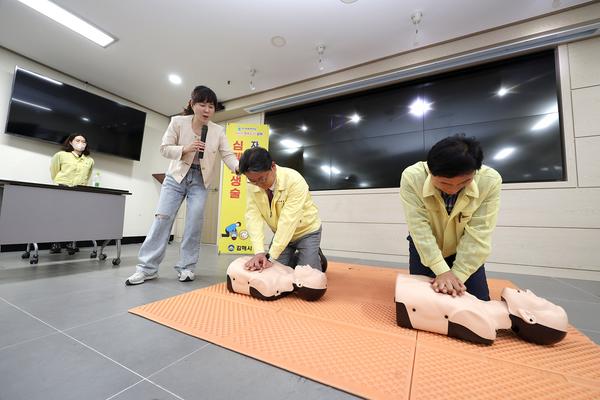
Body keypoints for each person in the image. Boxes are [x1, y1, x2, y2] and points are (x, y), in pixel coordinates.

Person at [126, 85, 238, 285]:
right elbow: (164, 149)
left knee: (194, 223)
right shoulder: (178, 122)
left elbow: (228, 155)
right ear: (192, 105)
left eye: (211, 106)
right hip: (176, 177)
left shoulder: (218, 131)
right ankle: (146, 268)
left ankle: (186, 268)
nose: (206, 110)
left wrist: (240, 168)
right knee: (162, 220)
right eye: (202, 104)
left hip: (200, 181)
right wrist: (185, 149)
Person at [400, 135, 502, 301]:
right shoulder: (412, 177)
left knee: (479, 302)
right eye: (445, 183)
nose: (453, 190)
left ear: (475, 172)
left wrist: (456, 277)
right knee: (421, 303)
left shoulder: (490, 181)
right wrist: (441, 271)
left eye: (464, 182)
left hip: (466, 250)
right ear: (430, 171)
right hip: (425, 247)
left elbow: (480, 231)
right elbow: (419, 228)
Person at [238, 147, 326, 273]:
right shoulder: (252, 185)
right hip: (281, 233)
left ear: (272, 167)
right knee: (273, 273)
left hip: (306, 232)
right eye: (253, 181)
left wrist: (271, 256)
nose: (259, 184)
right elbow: (253, 217)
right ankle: (297, 259)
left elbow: (288, 221)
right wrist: (259, 252)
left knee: (307, 279)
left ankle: (317, 258)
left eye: (262, 179)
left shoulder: (294, 180)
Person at [49, 133, 94, 253]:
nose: (81, 143)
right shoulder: (61, 155)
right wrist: (61, 183)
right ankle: (55, 243)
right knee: (58, 217)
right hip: (62, 189)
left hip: (80, 191)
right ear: (70, 142)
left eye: (83, 141)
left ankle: (71, 243)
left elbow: (88, 176)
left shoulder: (89, 160)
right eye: (78, 140)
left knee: (75, 218)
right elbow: (54, 172)